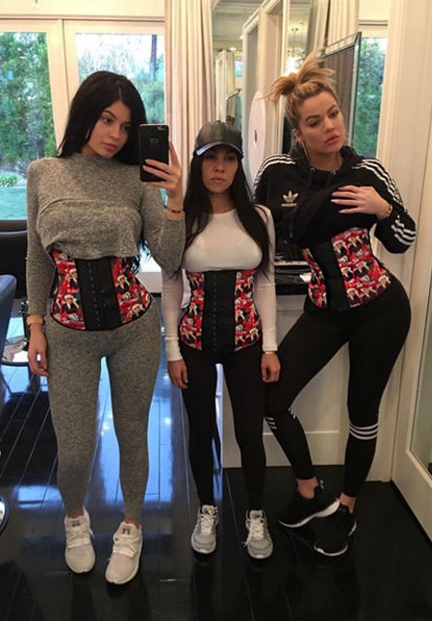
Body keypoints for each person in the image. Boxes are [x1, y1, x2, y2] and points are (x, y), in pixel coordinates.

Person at [253, 53, 416, 557]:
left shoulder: (368, 171)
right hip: (323, 307)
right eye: (314, 122)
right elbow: (259, 238)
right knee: (272, 399)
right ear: (298, 133)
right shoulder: (279, 173)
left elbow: (404, 238)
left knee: (361, 412)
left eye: (334, 114)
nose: (329, 127)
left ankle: (347, 508)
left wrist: (382, 209)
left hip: (380, 308)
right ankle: (310, 490)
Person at [25, 71, 185, 583]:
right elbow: (36, 257)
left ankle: (131, 526)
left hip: (133, 327)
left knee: (133, 434)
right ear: (85, 115)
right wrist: (34, 324)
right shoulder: (44, 173)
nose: (116, 134)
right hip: (66, 332)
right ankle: (76, 519)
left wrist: (176, 199)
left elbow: (169, 257)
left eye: (127, 126)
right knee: (74, 448)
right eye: (106, 119)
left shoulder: (136, 178)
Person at [161, 121, 281, 559]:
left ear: (238, 165)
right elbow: (171, 284)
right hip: (194, 339)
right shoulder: (184, 217)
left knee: (249, 432)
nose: (219, 167)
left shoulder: (259, 217)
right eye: (211, 158)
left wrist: (270, 346)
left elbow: (265, 282)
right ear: (197, 163)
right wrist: (172, 351)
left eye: (229, 159)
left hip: (247, 340)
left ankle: (255, 513)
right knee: (200, 430)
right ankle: (207, 508)